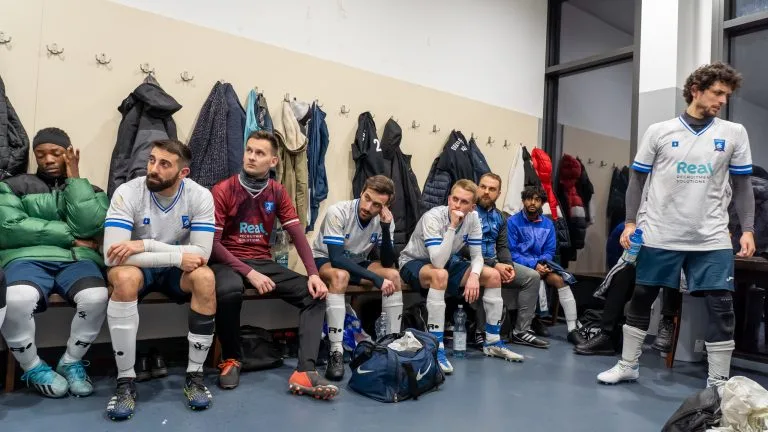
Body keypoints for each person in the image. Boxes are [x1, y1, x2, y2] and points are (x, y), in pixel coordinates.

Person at [598, 62, 755, 387]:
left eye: (726, 95)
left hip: (711, 238)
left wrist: (748, 229)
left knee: (722, 307)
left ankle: (718, 382)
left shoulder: (733, 133)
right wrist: (629, 222)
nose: (722, 100)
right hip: (659, 233)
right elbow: (637, 181)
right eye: (717, 93)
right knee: (642, 296)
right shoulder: (659, 131)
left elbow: (742, 186)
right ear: (695, 90)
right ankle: (628, 364)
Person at [211, 130, 338, 399]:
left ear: (273, 161)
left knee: (314, 294)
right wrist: (249, 272)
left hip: (261, 260)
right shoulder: (224, 190)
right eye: (249, 151)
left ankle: (305, 370)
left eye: (259, 153)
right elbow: (213, 244)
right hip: (227, 260)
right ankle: (231, 359)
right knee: (229, 291)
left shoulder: (276, 191)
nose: (251, 157)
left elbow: (297, 233)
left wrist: (313, 274)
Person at [103, 139, 217, 420]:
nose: (153, 168)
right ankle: (125, 382)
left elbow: (201, 254)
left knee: (205, 277)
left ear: (183, 173)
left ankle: (195, 376)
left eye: (164, 164)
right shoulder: (128, 192)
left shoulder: (200, 196)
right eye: (152, 160)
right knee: (125, 278)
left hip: (169, 269)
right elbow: (111, 256)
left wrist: (145, 245)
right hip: (138, 268)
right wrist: (177, 256)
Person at [0, 127, 109, 398]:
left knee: (96, 296)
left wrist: (75, 178)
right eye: (40, 154)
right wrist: (71, 238)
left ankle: (71, 361)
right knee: (16, 298)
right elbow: (10, 227)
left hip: (77, 261)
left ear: (69, 154)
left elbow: (91, 224)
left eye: (56, 153)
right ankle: (33, 367)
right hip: (26, 258)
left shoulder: (91, 190)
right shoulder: (12, 185)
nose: (47, 159)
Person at [399, 179, 523, 374]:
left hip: (446, 259)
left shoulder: (473, 219)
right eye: (454, 199)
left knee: (492, 276)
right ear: (449, 199)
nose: (457, 205)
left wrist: (474, 276)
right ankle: (436, 347)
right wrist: (451, 227)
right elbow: (438, 261)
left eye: (464, 202)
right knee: (440, 274)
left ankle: (492, 342)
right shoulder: (433, 217)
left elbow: (477, 257)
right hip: (414, 262)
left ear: (472, 206)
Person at [313, 174, 403, 381]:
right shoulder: (338, 211)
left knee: (393, 275)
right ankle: (336, 351)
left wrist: (386, 228)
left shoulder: (382, 220)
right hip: (325, 259)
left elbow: (388, 262)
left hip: (358, 262)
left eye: (377, 205)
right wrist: (374, 278)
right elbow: (336, 259)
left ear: (384, 207)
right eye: (367, 198)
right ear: (361, 192)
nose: (368, 207)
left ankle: (391, 344)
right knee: (341, 276)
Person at [574, 222, 681, 356]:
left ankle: (667, 321)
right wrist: (631, 226)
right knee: (622, 273)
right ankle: (607, 334)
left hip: (679, 247)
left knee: (673, 268)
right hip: (651, 246)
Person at [469, 173, 548, 349]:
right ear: (477, 188)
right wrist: (495, 264)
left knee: (532, 276)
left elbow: (503, 246)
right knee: (492, 275)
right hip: (470, 262)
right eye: (483, 187)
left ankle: (521, 331)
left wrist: (509, 266)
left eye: (492, 189)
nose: (486, 192)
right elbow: (463, 248)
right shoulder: (469, 211)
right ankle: (481, 331)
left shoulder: (500, 217)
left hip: (495, 262)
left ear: (498, 193)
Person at [507, 185, 582, 345]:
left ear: (542, 203)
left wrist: (542, 264)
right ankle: (532, 320)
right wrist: (534, 265)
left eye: (537, 199)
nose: (532, 203)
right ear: (523, 201)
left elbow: (549, 250)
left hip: (542, 264)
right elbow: (511, 252)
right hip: (520, 264)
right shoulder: (512, 222)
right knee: (532, 277)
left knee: (561, 280)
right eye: (529, 199)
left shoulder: (548, 224)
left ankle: (572, 329)